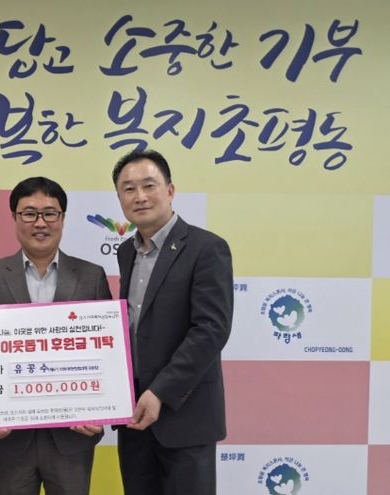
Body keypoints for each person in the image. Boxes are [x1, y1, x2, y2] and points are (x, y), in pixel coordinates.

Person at [0, 176, 112, 495]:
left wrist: (101, 411)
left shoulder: (91, 276)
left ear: (62, 218)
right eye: (29, 213)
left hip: (73, 435)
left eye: (50, 213)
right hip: (10, 437)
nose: (40, 223)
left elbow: (108, 352)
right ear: (14, 217)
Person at [112, 149, 234, 495]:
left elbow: (211, 330)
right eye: (128, 189)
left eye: (149, 185)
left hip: (185, 415)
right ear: (120, 198)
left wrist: (160, 392)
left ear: (170, 190)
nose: (139, 196)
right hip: (134, 417)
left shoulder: (206, 248)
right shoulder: (126, 252)